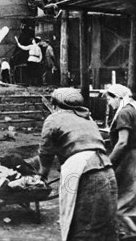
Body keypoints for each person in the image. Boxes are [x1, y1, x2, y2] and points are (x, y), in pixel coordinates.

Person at [38, 88, 118, 241]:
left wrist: (42, 174)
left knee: (80, 223)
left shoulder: (54, 119)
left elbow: (45, 152)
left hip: (82, 170)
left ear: (55, 105)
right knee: (104, 223)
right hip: (106, 168)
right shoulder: (88, 119)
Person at [106, 84, 136, 239]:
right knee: (130, 201)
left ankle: (134, 234)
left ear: (118, 97)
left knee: (122, 203)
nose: (109, 103)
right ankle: (132, 233)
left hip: (131, 159)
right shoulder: (133, 108)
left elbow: (123, 142)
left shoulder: (124, 112)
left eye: (109, 99)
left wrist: (108, 163)